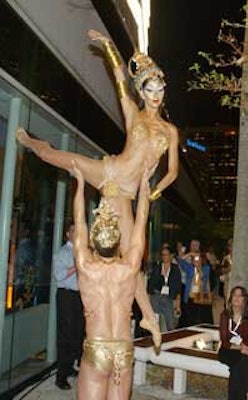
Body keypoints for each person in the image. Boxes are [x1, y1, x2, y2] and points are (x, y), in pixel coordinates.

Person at [16, 29, 173, 347]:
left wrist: (153, 193)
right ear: (142, 92)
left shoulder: (170, 130)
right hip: (108, 170)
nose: (155, 94)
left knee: (133, 262)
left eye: (159, 88)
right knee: (57, 157)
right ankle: (35, 143)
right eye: (149, 88)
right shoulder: (134, 115)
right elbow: (118, 81)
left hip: (125, 193)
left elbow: (171, 173)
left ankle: (149, 319)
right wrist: (109, 48)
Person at [72, 164, 150, 400]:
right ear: (117, 242)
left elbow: (79, 224)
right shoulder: (129, 268)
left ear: (94, 243)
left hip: (97, 347)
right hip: (123, 349)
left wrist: (80, 185)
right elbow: (140, 223)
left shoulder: (86, 268)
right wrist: (144, 190)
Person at [53, 222, 85, 390]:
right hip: (66, 295)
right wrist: (77, 266)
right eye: (73, 230)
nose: (76, 233)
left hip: (79, 296)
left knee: (78, 333)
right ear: (67, 234)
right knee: (65, 335)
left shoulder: (82, 252)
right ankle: (60, 377)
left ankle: (70, 367)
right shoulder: (62, 253)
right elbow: (59, 276)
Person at [219, 286, 248, 400]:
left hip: (245, 352)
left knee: (238, 367)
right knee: (242, 360)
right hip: (227, 351)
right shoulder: (225, 316)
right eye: (234, 295)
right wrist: (241, 348)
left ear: (244, 299)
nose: (237, 298)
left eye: (240, 295)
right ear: (230, 299)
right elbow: (224, 340)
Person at [147, 246, 182, 332]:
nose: (164, 257)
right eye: (163, 255)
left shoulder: (175, 269)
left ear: (171, 256)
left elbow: (178, 288)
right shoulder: (157, 268)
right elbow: (150, 286)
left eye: (166, 255)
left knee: (170, 325)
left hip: (169, 298)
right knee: (157, 323)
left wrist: (178, 305)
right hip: (157, 297)